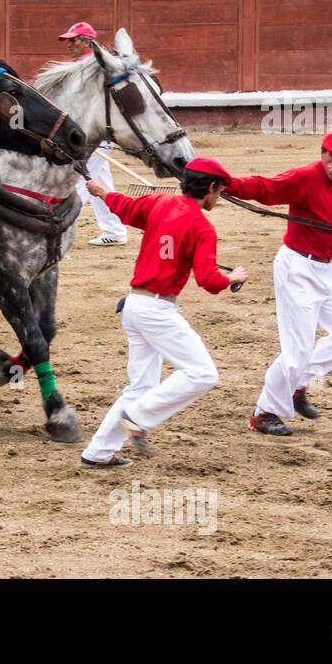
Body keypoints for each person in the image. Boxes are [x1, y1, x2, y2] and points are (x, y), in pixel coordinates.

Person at [79, 158, 247, 467]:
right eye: (219, 190)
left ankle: (98, 452)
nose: (219, 196)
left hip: (134, 305)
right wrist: (232, 278)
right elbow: (208, 281)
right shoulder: (202, 227)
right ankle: (138, 417)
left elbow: (125, 208)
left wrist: (102, 191)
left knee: (141, 387)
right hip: (157, 310)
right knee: (203, 374)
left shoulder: (160, 202)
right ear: (210, 188)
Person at [225, 128, 332, 437]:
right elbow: (264, 188)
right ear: (322, 153)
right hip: (296, 268)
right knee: (296, 352)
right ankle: (263, 413)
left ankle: (298, 385)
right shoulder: (304, 177)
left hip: (325, 269)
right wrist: (226, 183)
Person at [59, 22, 128, 246]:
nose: (69, 45)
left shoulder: (94, 66)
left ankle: (60, 228)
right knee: (96, 181)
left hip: (93, 135)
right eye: (68, 40)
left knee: (78, 180)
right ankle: (115, 231)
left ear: (87, 42)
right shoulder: (86, 65)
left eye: (73, 40)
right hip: (89, 134)